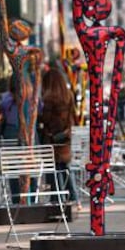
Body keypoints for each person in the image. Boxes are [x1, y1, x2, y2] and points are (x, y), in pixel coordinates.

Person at [40, 67, 81, 210]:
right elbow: (73, 115)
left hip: (51, 138)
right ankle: (74, 197)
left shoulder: (48, 99)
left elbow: (45, 119)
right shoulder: (68, 95)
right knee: (66, 167)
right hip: (65, 136)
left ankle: (56, 198)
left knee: (53, 169)